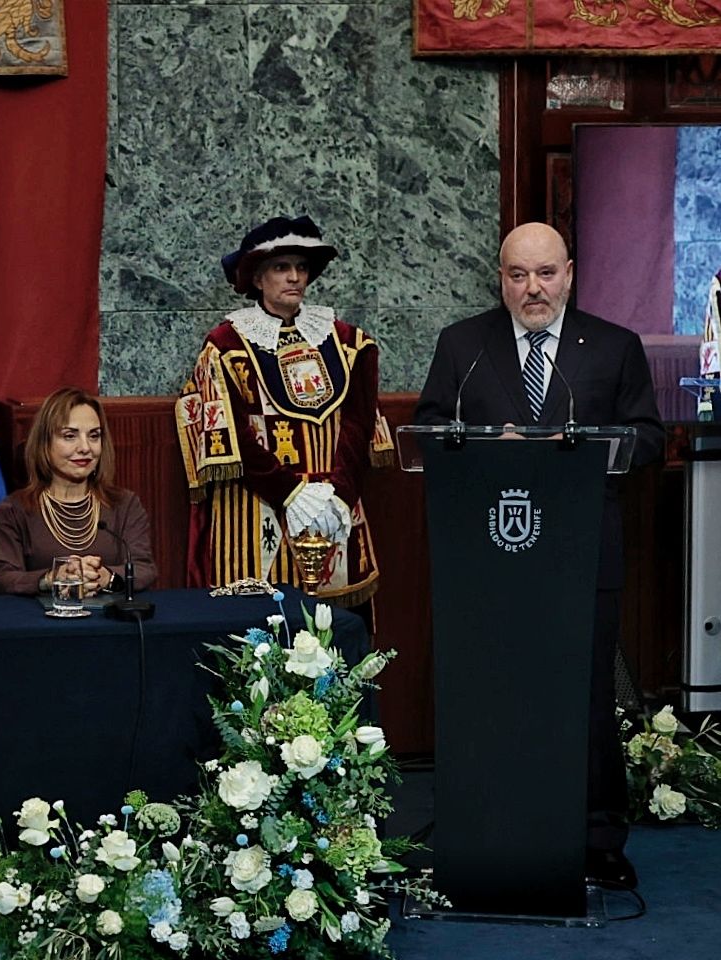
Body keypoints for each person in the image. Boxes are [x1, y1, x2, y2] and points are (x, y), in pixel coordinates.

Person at [414, 221, 664, 889]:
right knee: (492, 694)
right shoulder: (462, 345)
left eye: (545, 273)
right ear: (500, 278)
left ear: (569, 273)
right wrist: (473, 441)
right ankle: (489, 821)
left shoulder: (612, 347)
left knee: (583, 698)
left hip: (580, 561)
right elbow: (430, 430)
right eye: (517, 274)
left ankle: (597, 835)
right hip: (489, 564)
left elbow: (648, 437)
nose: (532, 288)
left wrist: (582, 446)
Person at [176, 216, 393, 609]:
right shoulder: (226, 346)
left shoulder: (349, 343)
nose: (294, 277)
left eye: (301, 267)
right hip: (255, 508)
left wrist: (339, 496)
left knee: (333, 639)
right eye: (281, 267)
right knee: (260, 638)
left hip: (333, 505)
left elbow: (358, 423)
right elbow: (230, 434)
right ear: (258, 279)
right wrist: (290, 492)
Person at [0, 387, 155, 596]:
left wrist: (106, 577)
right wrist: (52, 578)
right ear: (45, 444)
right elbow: (1, 578)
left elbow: (144, 568)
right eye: (70, 436)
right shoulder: (14, 511)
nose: (85, 447)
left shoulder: (124, 504)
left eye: (94, 436)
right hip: (42, 624)